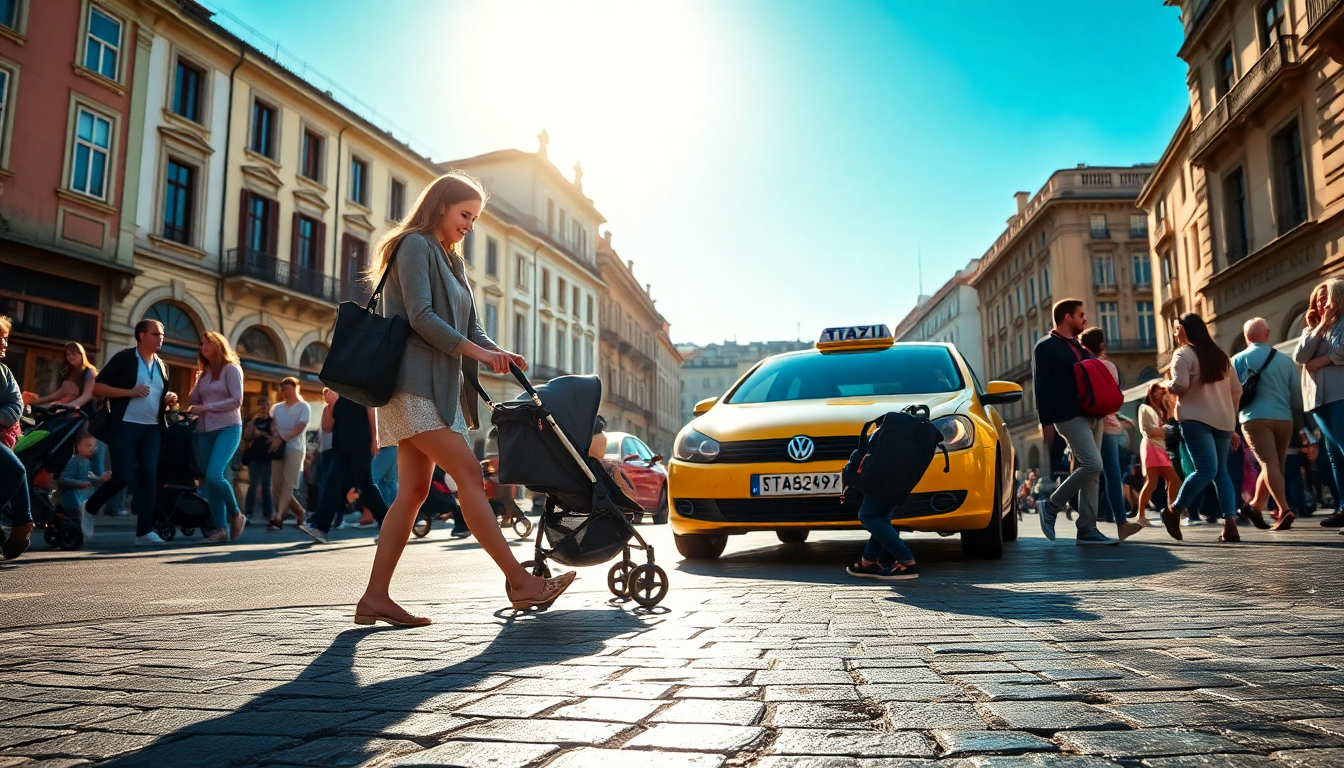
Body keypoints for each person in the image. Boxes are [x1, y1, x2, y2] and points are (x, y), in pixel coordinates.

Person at [356, 171, 574, 626]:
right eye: (465, 215)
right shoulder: (414, 246)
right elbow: (421, 316)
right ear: (441, 206)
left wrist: (497, 353)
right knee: (470, 475)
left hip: (438, 388)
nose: (470, 226)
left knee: (413, 492)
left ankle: (375, 597)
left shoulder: (453, 262)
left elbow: (471, 328)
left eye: (474, 218)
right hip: (410, 385)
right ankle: (521, 582)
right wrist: (476, 352)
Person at [1031, 299, 1117, 545]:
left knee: (1093, 474)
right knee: (1093, 465)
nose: (1085, 319)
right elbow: (1040, 386)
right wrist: (1045, 421)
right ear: (1068, 317)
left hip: (1093, 415)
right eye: (1081, 315)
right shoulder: (1045, 347)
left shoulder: (1080, 348)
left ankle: (1087, 530)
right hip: (1067, 416)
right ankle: (1051, 505)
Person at [87, 319, 178, 545]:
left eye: (162, 334)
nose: (161, 338)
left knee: (148, 476)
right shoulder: (124, 358)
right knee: (122, 477)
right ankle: (88, 508)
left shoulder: (162, 366)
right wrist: (129, 392)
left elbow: (157, 397)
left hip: (152, 429)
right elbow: (97, 387)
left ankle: (144, 532)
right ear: (142, 336)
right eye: (156, 334)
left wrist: (167, 400)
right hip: (125, 426)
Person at [1161, 313, 1243, 543]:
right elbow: (1237, 390)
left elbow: (1180, 386)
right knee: (1221, 472)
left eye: (1177, 328)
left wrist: (1165, 384)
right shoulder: (1220, 356)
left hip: (1197, 420)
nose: (1175, 332)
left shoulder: (1183, 353)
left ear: (1186, 330)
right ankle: (1230, 525)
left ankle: (1174, 509)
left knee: (1206, 470)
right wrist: (1232, 420)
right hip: (1224, 421)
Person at [1078, 327, 1143, 540]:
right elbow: (1116, 397)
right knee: (1113, 476)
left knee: (1089, 473)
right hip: (1110, 426)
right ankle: (1121, 522)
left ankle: (1086, 521)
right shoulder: (1109, 367)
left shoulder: (1080, 366)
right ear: (1102, 346)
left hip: (1088, 426)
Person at [1231, 317, 1294, 531]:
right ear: (1267, 335)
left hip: (1253, 418)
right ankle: (1257, 506)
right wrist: (1302, 425)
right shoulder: (1285, 360)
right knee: (1275, 464)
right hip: (1284, 418)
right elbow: (1296, 395)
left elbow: (1231, 394)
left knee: (1269, 464)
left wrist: (1230, 423)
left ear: (1246, 337)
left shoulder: (1237, 360)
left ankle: (1283, 510)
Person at [1295, 278, 1344, 531]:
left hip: (1340, 395)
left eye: (1327, 297)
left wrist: (1322, 360)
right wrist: (1323, 324)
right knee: (1335, 457)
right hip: (1319, 401)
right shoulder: (1311, 329)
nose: (1322, 303)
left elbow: (1342, 348)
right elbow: (1301, 356)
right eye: (1319, 299)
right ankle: (1343, 507)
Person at [305, 393, 387, 544]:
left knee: (365, 484)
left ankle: (388, 528)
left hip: (360, 442)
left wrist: (375, 437)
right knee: (331, 481)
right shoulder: (337, 393)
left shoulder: (357, 385)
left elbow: (371, 408)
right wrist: (331, 405)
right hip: (340, 446)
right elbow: (327, 427)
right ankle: (321, 528)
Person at [188, 331, 245, 542]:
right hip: (205, 431)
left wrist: (207, 408)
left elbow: (236, 400)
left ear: (217, 344)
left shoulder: (231, 369)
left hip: (228, 428)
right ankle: (220, 529)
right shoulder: (204, 373)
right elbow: (192, 399)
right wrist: (198, 379)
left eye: (206, 343)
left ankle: (236, 513)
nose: (202, 347)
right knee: (209, 482)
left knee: (215, 474)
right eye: (200, 343)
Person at [0, 316, 33, 559]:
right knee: (15, 470)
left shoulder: (4, 371)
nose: (4, 344)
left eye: (6, 339)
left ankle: (23, 526)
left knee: (17, 470)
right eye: (1, 339)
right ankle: (23, 524)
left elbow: (15, 405)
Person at [267, 377, 310, 532]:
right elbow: (272, 425)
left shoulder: (304, 407)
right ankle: (299, 511)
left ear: (296, 387)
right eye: (284, 388)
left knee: (288, 483)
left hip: (295, 449)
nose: (286, 391)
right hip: (277, 449)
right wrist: (274, 435)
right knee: (276, 485)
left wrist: (282, 438)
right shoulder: (277, 408)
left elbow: (300, 427)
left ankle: (278, 516)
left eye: (289, 388)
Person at [1135, 382, 1179, 528]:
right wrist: (1168, 431)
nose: (1160, 391)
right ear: (1150, 392)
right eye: (1156, 389)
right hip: (1152, 447)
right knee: (1152, 482)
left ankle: (1171, 511)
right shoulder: (1145, 408)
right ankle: (1142, 516)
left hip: (1163, 447)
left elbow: (1173, 423)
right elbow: (1148, 429)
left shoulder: (1165, 408)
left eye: (1161, 389)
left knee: (1172, 478)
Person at [23, 342, 98, 414]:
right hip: (72, 413)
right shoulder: (70, 373)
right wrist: (37, 401)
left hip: (87, 414)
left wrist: (68, 406)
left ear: (81, 354)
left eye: (73, 354)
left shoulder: (90, 372)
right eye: (68, 354)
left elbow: (87, 395)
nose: (70, 357)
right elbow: (61, 393)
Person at [241, 396, 276, 520]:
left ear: (268, 406)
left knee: (266, 486)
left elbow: (275, 436)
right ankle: (248, 511)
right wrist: (252, 427)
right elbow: (246, 436)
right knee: (253, 485)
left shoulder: (272, 421)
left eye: (265, 405)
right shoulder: (253, 421)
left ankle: (268, 512)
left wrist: (262, 433)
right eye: (261, 405)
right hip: (254, 457)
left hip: (267, 457)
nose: (263, 408)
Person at [61, 432, 109, 514]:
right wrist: (79, 484)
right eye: (89, 445)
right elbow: (63, 479)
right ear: (78, 447)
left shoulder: (89, 462)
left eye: (95, 446)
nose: (93, 448)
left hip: (82, 501)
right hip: (73, 502)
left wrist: (100, 478)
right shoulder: (74, 461)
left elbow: (88, 477)